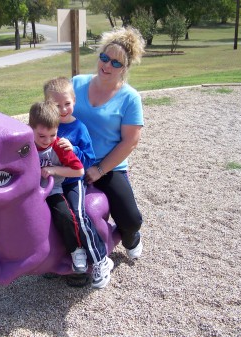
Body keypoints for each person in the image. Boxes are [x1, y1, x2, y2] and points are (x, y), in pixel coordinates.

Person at [72, 26, 145, 260]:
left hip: (109, 166)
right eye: (104, 57)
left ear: (125, 68)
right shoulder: (76, 84)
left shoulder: (130, 98)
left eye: (116, 63)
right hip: (72, 162)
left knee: (131, 219)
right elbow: (53, 116)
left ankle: (130, 236)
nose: (107, 65)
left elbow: (130, 141)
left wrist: (100, 169)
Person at [44, 77, 113, 289]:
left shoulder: (79, 128)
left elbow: (89, 158)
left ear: (74, 100)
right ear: (48, 105)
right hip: (51, 182)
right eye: (57, 105)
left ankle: (101, 259)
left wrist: (73, 150)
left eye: (67, 103)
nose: (63, 109)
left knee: (78, 215)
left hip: (72, 182)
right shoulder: (46, 126)